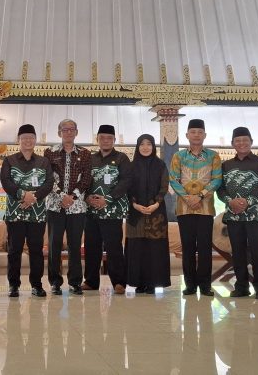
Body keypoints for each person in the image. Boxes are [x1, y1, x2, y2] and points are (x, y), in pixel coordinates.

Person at [217, 127, 258, 300]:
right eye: (238, 140)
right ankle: (241, 287)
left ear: (251, 142)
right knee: (238, 252)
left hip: (256, 216)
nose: (241, 143)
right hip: (233, 216)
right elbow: (220, 189)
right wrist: (230, 201)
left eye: (245, 140)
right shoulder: (226, 165)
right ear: (232, 144)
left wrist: (247, 201)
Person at [169, 119, 222, 297]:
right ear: (187, 135)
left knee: (205, 248)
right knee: (188, 248)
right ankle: (190, 285)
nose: (196, 135)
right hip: (184, 210)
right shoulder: (179, 156)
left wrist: (200, 196)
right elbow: (173, 179)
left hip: (205, 209)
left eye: (200, 132)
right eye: (193, 132)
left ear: (205, 135)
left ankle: (205, 285)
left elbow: (217, 179)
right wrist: (187, 198)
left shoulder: (213, 156)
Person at [1, 124, 54, 297]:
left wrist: (34, 197)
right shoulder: (9, 161)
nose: (28, 141)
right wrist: (23, 195)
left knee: (36, 250)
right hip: (15, 212)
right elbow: (6, 182)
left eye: (31, 137)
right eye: (24, 138)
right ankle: (13, 285)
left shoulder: (43, 162)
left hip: (37, 214)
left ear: (35, 140)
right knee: (14, 250)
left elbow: (49, 183)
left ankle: (36, 285)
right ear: (18, 140)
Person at [43, 119, 91, 295]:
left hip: (77, 207)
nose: (68, 132)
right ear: (59, 132)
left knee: (74, 245)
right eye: (65, 129)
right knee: (54, 244)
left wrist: (73, 196)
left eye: (72, 129)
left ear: (76, 132)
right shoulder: (50, 152)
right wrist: (62, 196)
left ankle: (75, 282)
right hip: (55, 205)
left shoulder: (85, 153)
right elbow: (48, 177)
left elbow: (87, 178)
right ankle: (55, 282)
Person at [82, 124, 131, 294]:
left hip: (112, 211)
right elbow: (84, 181)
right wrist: (87, 197)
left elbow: (126, 181)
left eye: (109, 138)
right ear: (97, 139)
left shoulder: (121, 158)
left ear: (114, 140)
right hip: (92, 211)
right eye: (102, 138)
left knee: (114, 247)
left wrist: (107, 199)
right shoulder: (90, 159)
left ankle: (119, 282)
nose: (105, 141)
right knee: (91, 247)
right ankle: (91, 281)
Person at [126, 134, 171, 294]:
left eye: (149, 144)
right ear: (137, 147)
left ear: (153, 147)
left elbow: (164, 186)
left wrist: (156, 203)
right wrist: (135, 204)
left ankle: (153, 283)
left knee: (155, 249)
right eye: (142, 144)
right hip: (135, 213)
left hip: (156, 213)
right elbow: (127, 187)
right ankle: (138, 283)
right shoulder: (131, 166)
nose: (145, 147)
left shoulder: (160, 165)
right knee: (137, 248)